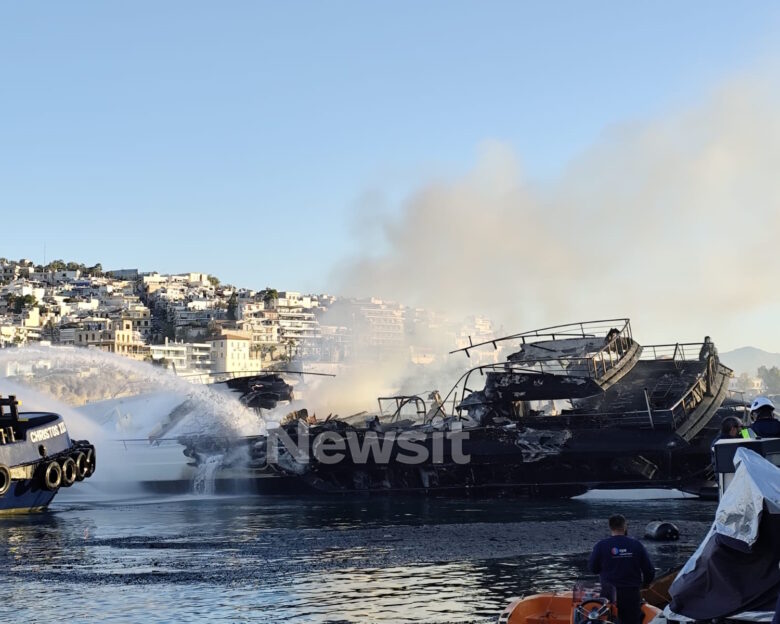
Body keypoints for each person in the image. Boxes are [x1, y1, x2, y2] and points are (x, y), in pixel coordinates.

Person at [588, 514, 655, 624]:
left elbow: (593, 569)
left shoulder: (601, 545)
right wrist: (646, 584)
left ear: (610, 527)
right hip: (631, 593)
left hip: (609, 593)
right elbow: (649, 570)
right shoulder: (636, 545)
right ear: (625, 526)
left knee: (608, 619)